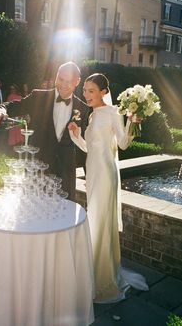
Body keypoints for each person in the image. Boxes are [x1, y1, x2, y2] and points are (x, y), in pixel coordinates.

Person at [68, 73, 148, 303]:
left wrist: (132, 121)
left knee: (100, 221)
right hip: (92, 173)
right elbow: (88, 148)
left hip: (106, 175)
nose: (86, 94)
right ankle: (92, 268)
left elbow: (122, 143)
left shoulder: (113, 113)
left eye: (91, 90)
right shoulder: (93, 116)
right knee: (94, 219)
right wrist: (75, 134)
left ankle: (103, 276)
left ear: (104, 92)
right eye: (85, 90)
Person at [0, 62, 90, 201]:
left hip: (66, 174)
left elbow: (84, 146)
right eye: (60, 79)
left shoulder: (83, 108)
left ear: (77, 82)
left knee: (65, 218)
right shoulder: (39, 97)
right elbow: (16, 105)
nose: (62, 84)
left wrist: (90, 177)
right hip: (37, 171)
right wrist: (1, 108)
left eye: (68, 82)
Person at [6, 84, 24, 150]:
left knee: (19, 132)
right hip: (12, 117)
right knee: (12, 132)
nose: (12, 90)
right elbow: (8, 108)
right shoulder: (9, 96)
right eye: (11, 89)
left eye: (13, 89)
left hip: (20, 117)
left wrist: (22, 116)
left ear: (16, 89)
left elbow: (23, 107)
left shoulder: (20, 96)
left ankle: (20, 148)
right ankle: (12, 149)